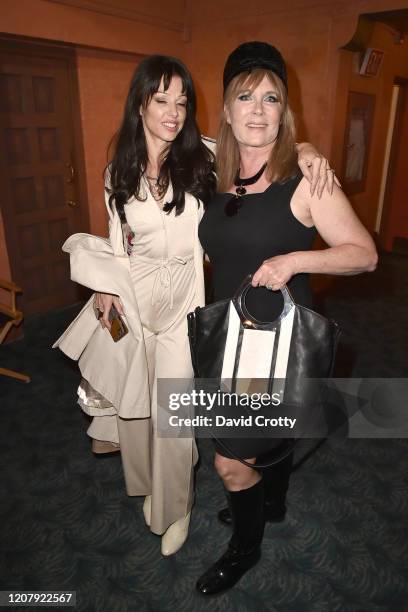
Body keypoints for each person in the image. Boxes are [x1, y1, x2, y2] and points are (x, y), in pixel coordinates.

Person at [54, 54, 334, 557]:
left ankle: (175, 509)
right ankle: (147, 487)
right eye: (161, 99)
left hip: (185, 307)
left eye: (182, 101)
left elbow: (263, 141)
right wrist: (103, 288)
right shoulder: (116, 170)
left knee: (178, 419)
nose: (173, 111)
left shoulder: (205, 156)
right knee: (139, 412)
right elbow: (118, 242)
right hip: (133, 304)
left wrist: (310, 150)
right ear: (139, 102)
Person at [196, 41, 378, 594]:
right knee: (261, 444)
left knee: (229, 461)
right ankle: (270, 499)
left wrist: (295, 258)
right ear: (225, 112)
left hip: (273, 345)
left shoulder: (305, 181)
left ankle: (244, 549)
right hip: (226, 335)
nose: (257, 109)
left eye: (270, 98)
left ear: (284, 112)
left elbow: (363, 253)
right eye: (244, 97)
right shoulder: (212, 173)